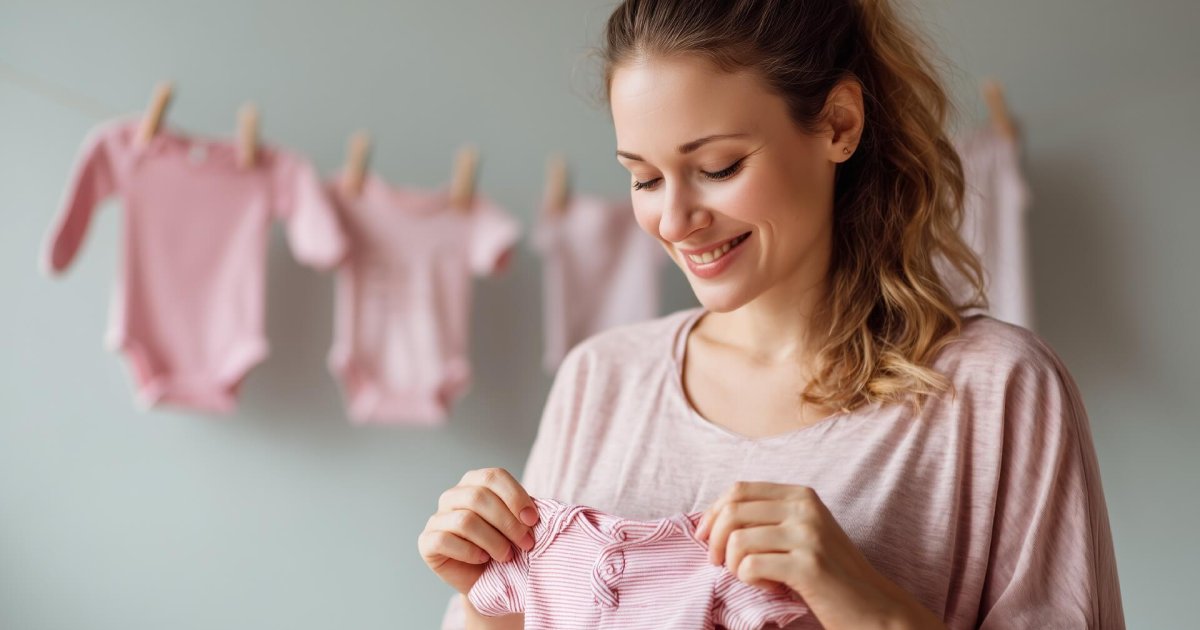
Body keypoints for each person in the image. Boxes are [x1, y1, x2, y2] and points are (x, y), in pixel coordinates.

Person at [419, 0, 1126, 628]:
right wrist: (485, 596)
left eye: (719, 167)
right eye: (644, 176)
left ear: (838, 125)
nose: (675, 219)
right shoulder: (599, 380)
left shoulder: (998, 391)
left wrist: (864, 601)